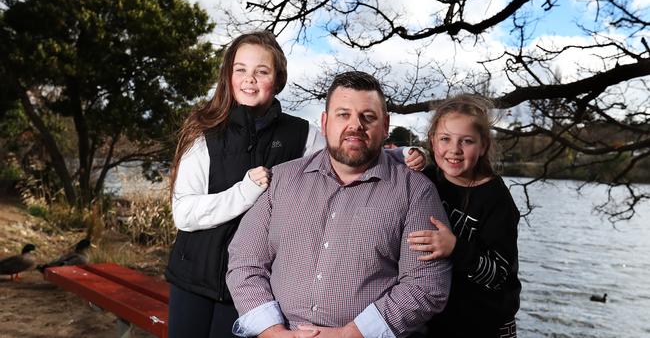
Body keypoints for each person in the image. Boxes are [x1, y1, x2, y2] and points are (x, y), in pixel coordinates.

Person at [165, 32, 426, 337]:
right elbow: (183, 214)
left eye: (261, 71)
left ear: (277, 80)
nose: (249, 79)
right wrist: (244, 193)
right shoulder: (204, 133)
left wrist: (401, 155)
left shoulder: (302, 133)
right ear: (228, 75)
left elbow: (348, 151)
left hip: (254, 289)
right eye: (241, 69)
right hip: (194, 279)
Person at [226, 71, 453, 338]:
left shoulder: (416, 192)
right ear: (324, 122)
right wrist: (273, 332)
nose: (355, 125)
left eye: (368, 117)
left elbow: (425, 285)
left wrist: (350, 334)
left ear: (385, 126)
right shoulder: (280, 180)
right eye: (343, 114)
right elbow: (245, 262)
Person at [407, 94, 521, 337]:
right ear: (432, 141)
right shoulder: (426, 179)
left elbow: (498, 275)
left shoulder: (497, 201)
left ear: (483, 146)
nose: (454, 150)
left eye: (466, 141)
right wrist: (409, 154)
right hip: (437, 322)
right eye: (445, 139)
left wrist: (455, 248)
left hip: (486, 325)